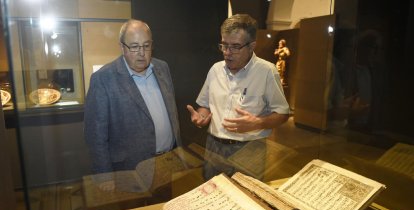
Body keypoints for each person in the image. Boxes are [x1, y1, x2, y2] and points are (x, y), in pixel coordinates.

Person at [187, 14, 290, 180]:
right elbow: (204, 104)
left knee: (248, 198)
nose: (227, 53)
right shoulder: (215, 69)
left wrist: (259, 122)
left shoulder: (267, 72)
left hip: (250, 148)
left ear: (252, 46)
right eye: (224, 45)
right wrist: (202, 116)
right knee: (211, 196)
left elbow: (283, 114)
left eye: (235, 47)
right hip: (214, 146)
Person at [84, 19, 181, 179]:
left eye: (146, 45)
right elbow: (95, 137)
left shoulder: (162, 68)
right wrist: (104, 177)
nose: (142, 53)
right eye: (135, 47)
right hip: (129, 171)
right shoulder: (103, 79)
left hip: (168, 162)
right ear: (122, 47)